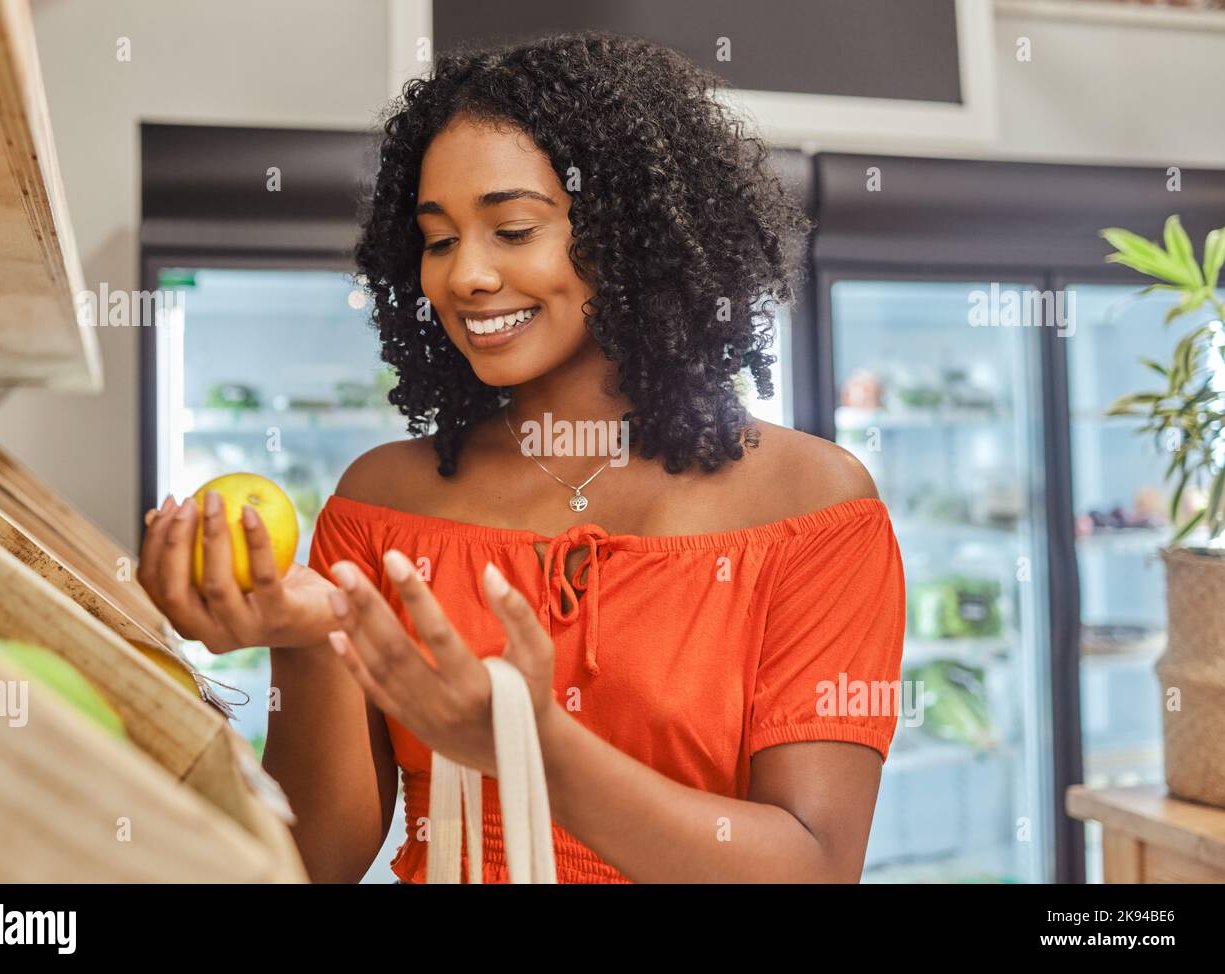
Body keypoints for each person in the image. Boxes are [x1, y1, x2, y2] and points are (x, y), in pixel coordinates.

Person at [138, 30, 905, 884]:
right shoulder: (382, 502)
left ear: (628, 238)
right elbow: (316, 862)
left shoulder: (809, 506)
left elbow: (812, 867)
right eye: (437, 239)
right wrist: (307, 640)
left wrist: (536, 749)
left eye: (511, 229)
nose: (464, 275)